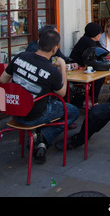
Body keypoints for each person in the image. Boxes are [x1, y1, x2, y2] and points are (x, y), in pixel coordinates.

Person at [0, 29, 79, 164]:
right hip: (34, 116)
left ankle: (40, 138)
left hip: (12, 111)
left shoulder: (20, 57)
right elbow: (63, 93)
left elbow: (2, 79)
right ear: (55, 49)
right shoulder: (52, 70)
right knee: (73, 112)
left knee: (47, 102)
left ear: (38, 43)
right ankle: (43, 138)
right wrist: (62, 67)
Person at [70, 22, 104, 106]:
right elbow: (99, 53)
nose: (100, 35)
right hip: (77, 69)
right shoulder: (88, 41)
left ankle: (91, 99)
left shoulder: (92, 39)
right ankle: (92, 100)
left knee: (100, 76)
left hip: (83, 67)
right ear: (94, 33)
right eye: (99, 33)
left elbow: (103, 51)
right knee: (99, 78)